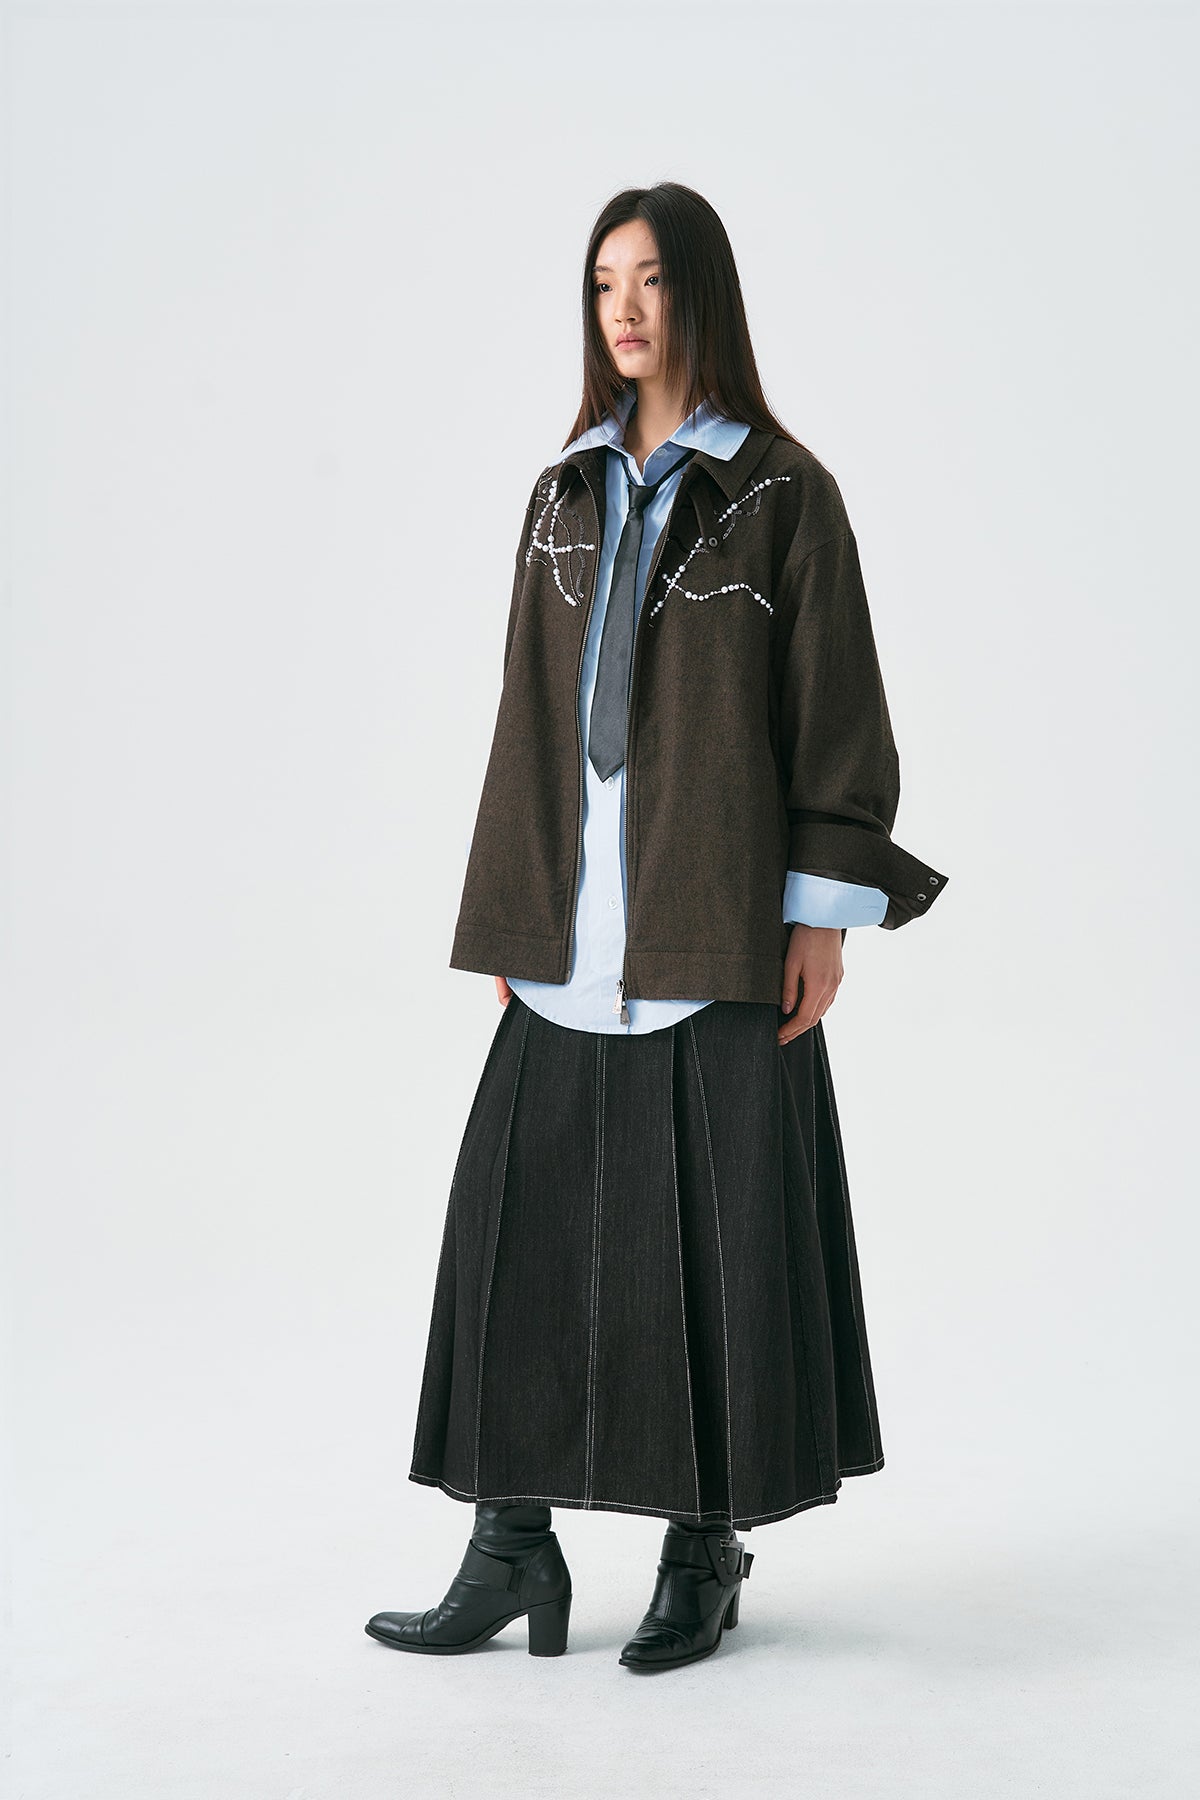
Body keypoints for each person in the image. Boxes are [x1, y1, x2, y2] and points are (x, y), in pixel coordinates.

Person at [365, 181, 948, 1673]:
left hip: (713, 928)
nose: (623, 309)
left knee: (712, 1250)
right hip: (572, 935)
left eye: (651, 280)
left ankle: (705, 1551)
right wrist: (516, 909)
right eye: (602, 283)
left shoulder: (782, 491)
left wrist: (820, 919)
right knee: (517, 1240)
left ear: (703, 294)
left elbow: (837, 712)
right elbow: (527, 717)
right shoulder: (558, 493)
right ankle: (510, 1549)